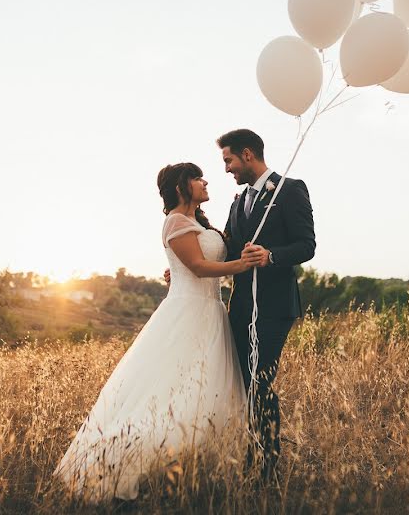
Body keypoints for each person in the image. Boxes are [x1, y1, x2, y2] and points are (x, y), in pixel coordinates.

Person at [54, 162, 256, 502]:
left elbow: (193, 261)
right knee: (168, 389)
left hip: (212, 313)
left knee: (205, 389)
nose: (206, 181)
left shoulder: (197, 223)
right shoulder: (175, 220)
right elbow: (198, 266)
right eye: (197, 177)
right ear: (182, 186)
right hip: (187, 312)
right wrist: (242, 265)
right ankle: (124, 462)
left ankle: (193, 470)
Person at [167, 129, 316, 482]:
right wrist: (184, 266)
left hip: (274, 307)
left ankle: (266, 466)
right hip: (239, 309)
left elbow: (307, 245)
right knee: (242, 383)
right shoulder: (238, 201)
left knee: (257, 382)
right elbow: (229, 251)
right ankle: (248, 455)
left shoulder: (290, 189)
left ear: (247, 155)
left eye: (228, 160)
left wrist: (271, 255)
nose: (226, 169)